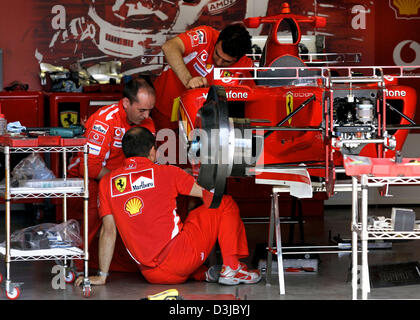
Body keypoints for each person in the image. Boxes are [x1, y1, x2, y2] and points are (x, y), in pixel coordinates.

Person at [76, 126, 261, 285]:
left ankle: (202, 273)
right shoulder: (167, 172)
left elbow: (108, 232)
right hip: (180, 260)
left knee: (190, 220)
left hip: (151, 274)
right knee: (224, 203)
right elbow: (209, 196)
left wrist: (102, 276)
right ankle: (232, 267)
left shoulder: (107, 182)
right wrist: (187, 176)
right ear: (152, 151)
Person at [67, 77, 156, 273]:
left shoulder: (147, 122)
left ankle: (147, 259)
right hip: (89, 178)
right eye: (142, 110)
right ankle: (77, 262)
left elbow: (147, 163)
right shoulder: (104, 121)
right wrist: (124, 181)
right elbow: (87, 168)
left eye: (150, 110)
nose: (147, 115)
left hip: (121, 180)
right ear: (126, 103)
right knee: (94, 204)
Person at [152, 23, 254, 131]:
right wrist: (188, 80)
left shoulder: (245, 66)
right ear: (217, 40)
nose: (219, 62)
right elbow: (169, 47)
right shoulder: (206, 36)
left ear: (238, 59)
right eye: (217, 54)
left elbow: (252, 102)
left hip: (205, 124)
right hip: (165, 109)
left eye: (226, 61)